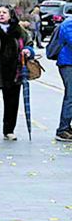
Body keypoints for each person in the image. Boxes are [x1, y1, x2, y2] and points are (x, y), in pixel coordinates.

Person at [0, 5, 33, 140]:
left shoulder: (18, 30)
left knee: (11, 102)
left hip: (13, 72)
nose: (2, 15)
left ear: (10, 15)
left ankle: (8, 130)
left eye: (5, 12)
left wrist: (27, 50)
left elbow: (29, 43)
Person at [48, 14, 72, 142]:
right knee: (71, 95)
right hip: (68, 63)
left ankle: (66, 127)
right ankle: (63, 129)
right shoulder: (69, 23)